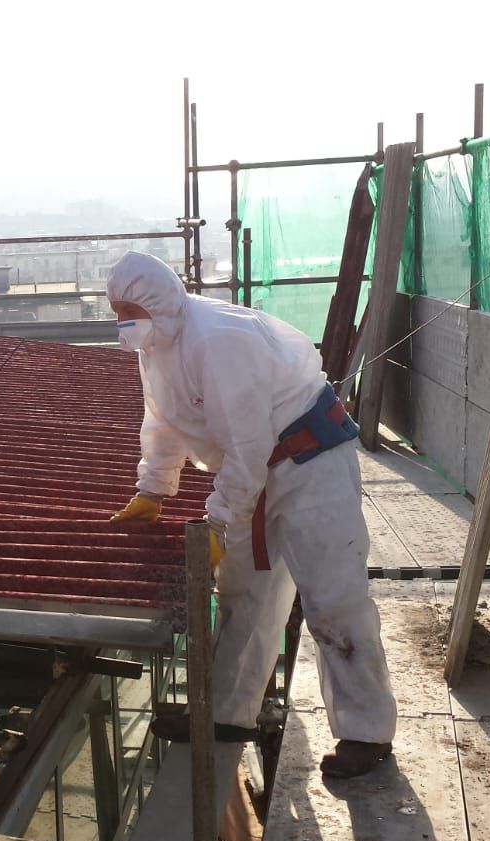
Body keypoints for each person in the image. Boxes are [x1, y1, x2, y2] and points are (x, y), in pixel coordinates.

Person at [105, 250, 397, 780]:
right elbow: (164, 419)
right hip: (259, 473)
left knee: (333, 596)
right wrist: (153, 488)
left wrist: (217, 521)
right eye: (115, 309)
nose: (122, 320)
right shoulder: (159, 344)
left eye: (129, 308)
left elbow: (246, 447)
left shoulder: (218, 341)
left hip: (310, 465)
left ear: (158, 302)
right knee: (244, 594)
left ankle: (366, 733)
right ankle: (226, 716)